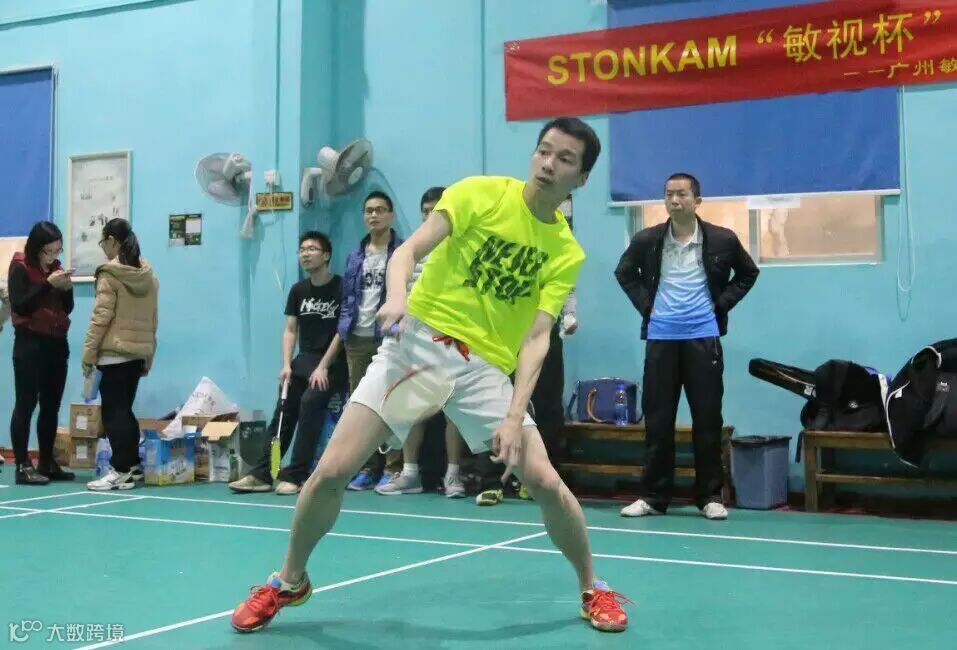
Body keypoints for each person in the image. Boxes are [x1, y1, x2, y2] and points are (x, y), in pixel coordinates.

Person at [231, 117, 633, 635]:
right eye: (544, 151)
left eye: (565, 159)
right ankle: (289, 580)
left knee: (545, 481)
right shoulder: (481, 194)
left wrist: (514, 416)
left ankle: (593, 587)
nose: (548, 163)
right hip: (416, 345)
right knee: (331, 471)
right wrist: (398, 297)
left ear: (581, 178)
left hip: (483, 368)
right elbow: (407, 251)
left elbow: (537, 337)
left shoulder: (564, 251)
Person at [614, 173, 759, 520]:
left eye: (681, 194)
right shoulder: (648, 239)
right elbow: (624, 273)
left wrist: (721, 303)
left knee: (707, 419)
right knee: (658, 421)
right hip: (661, 339)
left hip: (703, 338)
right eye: (668, 194)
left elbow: (748, 273)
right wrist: (647, 307)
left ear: (697, 200)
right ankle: (653, 497)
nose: (674, 200)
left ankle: (710, 496)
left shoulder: (722, 239)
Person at [229, 231, 347, 495]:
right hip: (303, 361)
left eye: (312, 249)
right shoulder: (298, 290)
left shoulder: (341, 287)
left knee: (310, 404)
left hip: (332, 363)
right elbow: (290, 330)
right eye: (302, 250)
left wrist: (324, 366)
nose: (305, 254)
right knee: (283, 413)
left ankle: (297, 474)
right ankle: (264, 473)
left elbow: (342, 332)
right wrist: (286, 365)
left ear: (326, 255)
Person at [375, 186, 470, 498]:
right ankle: (410, 473)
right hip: (415, 337)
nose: (429, 217)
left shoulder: (463, 248)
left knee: (453, 409)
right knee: (412, 407)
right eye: (425, 212)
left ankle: (453, 475)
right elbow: (402, 290)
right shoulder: (413, 249)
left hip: (455, 337)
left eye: (435, 211)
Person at [84, 219, 159, 491]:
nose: (103, 248)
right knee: (124, 411)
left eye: (102, 242)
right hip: (137, 354)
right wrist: (148, 354)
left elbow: (101, 317)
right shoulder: (148, 275)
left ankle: (120, 470)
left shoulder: (110, 274)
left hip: (114, 354)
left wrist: (88, 352)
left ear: (112, 241)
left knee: (113, 415)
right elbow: (153, 319)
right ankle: (133, 465)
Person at [338, 191, 405, 491]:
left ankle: (393, 468)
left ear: (391, 215)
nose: (373, 215)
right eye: (368, 211)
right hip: (356, 339)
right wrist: (345, 328)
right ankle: (366, 467)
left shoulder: (402, 252)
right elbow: (348, 297)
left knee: (392, 402)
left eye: (379, 210)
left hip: (389, 339)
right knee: (361, 406)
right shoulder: (355, 255)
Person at [7, 221, 75, 485]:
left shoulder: (57, 269)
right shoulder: (20, 267)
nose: (53, 256)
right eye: (49, 251)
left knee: (51, 405)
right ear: (36, 248)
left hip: (56, 343)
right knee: (26, 403)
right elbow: (20, 305)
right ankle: (22, 464)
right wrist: (48, 284)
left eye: (58, 250)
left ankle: (46, 461)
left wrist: (66, 289)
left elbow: (66, 308)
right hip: (30, 344)